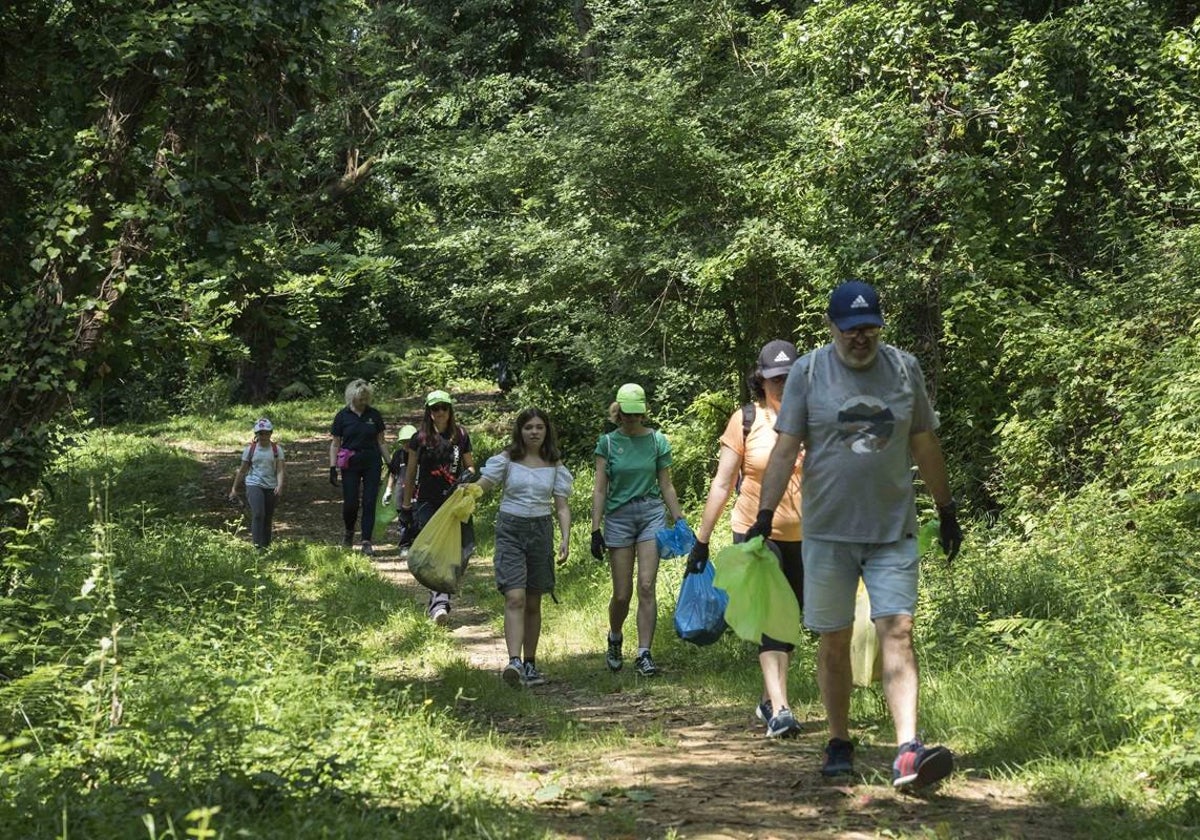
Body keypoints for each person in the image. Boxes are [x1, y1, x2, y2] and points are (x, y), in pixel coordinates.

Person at [748, 280, 963, 790]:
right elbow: (784, 449)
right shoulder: (808, 372)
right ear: (832, 327)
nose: (859, 339)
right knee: (833, 640)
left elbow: (925, 442)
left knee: (899, 630)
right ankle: (839, 738)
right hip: (826, 532)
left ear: (880, 326)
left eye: (868, 329)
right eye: (850, 330)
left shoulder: (904, 368)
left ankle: (908, 749)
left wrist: (947, 507)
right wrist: (764, 514)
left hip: (892, 527)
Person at [688, 340, 805, 738]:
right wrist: (701, 541)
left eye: (789, 377)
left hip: (807, 535)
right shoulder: (746, 420)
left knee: (792, 621)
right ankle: (782, 710)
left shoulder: (813, 418)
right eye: (775, 378)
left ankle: (769, 699)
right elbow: (722, 484)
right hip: (755, 533)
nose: (782, 385)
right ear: (761, 379)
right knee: (775, 617)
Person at [590, 383, 685, 677]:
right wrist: (595, 529)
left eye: (636, 414)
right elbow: (600, 489)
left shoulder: (657, 441)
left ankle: (644, 653)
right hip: (618, 517)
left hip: (650, 514)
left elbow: (666, 484)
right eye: (626, 414)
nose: (631, 419)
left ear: (643, 412)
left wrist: (679, 517)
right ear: (618, 412)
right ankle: (615, 637)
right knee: (622, 593)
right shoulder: (607, 443)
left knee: (646, 586)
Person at [475, 407, 573, 687]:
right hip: (510, 530)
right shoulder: (507, 460)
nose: (534, 432)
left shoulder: (555, 465)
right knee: (514, 596)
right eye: (528, 427)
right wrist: (465, 496)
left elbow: (562, 507)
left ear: (546, 431)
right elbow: (484, 485)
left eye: (539, 427)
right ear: (520, 431)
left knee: (533, 601)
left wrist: (565, 539)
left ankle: (530, 663)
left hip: (541, 531)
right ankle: (513, 661)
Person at [400, 390, 476, 625]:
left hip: (454, 502)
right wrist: (406, 505)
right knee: (433, 551)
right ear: (429, 412)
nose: (440, 412)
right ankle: (439, 603)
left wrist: (468, 476)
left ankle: (441, 597)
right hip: (427, 501)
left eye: (444, 407)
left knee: (457, 551)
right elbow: (411, 473)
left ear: (450, 410)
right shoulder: (419, 438)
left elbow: (471, 466)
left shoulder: (461, 435)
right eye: (435, 408)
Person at [330, 378, 390, 556]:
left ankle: (366, 541)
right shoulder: (342, 416)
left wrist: (389, 461)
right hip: (350, 463)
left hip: (372, 461)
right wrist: (332, 467)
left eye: (365, 399)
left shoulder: (374, 415)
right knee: (351, 503)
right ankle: (349, 532)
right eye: (359, 400)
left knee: (369, 501)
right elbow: (335, 444)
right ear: (352, 398)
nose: (363, 403)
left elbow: (381, 441)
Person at [229, 418, 286, 550]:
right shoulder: (250, 450)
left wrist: (280, 485)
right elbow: (243, 470)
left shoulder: (277, 450)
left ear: (271, 433)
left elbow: (280, 470)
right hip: (254, 484)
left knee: (268, 516)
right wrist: (234, 488)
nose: (264, 436)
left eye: (266, 433)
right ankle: (257, 547)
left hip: (271, 486)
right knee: (258, 513)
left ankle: (266, 546)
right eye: (261, 433)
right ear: (256, 434)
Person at [382, 424, 419, 553]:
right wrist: (388, 490)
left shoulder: (422, 455)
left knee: (418, 521)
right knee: (404, 522)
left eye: (410, 442)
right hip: (401, 494)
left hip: (418, 495)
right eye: (404, 442)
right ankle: (405, 545)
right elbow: (392, 473)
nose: (407, 445)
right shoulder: (399, 455)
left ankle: (417, 543)